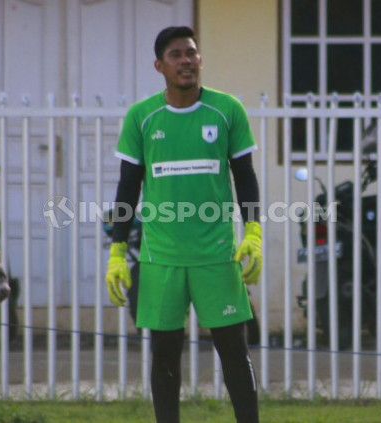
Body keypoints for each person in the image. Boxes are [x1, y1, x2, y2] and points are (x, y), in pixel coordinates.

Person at [106, 26, 262, 423]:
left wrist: (254, 233)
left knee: (234, 353)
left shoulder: (227, 110)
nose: (186, 60)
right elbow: (128, 187)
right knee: (164, 357)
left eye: (191, 53)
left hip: (216, 256)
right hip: (162, 258)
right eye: (176, 55)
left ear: (200, 60)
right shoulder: (142, 117)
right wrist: (118, 251)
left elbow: (245, 176)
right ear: (160, 66)